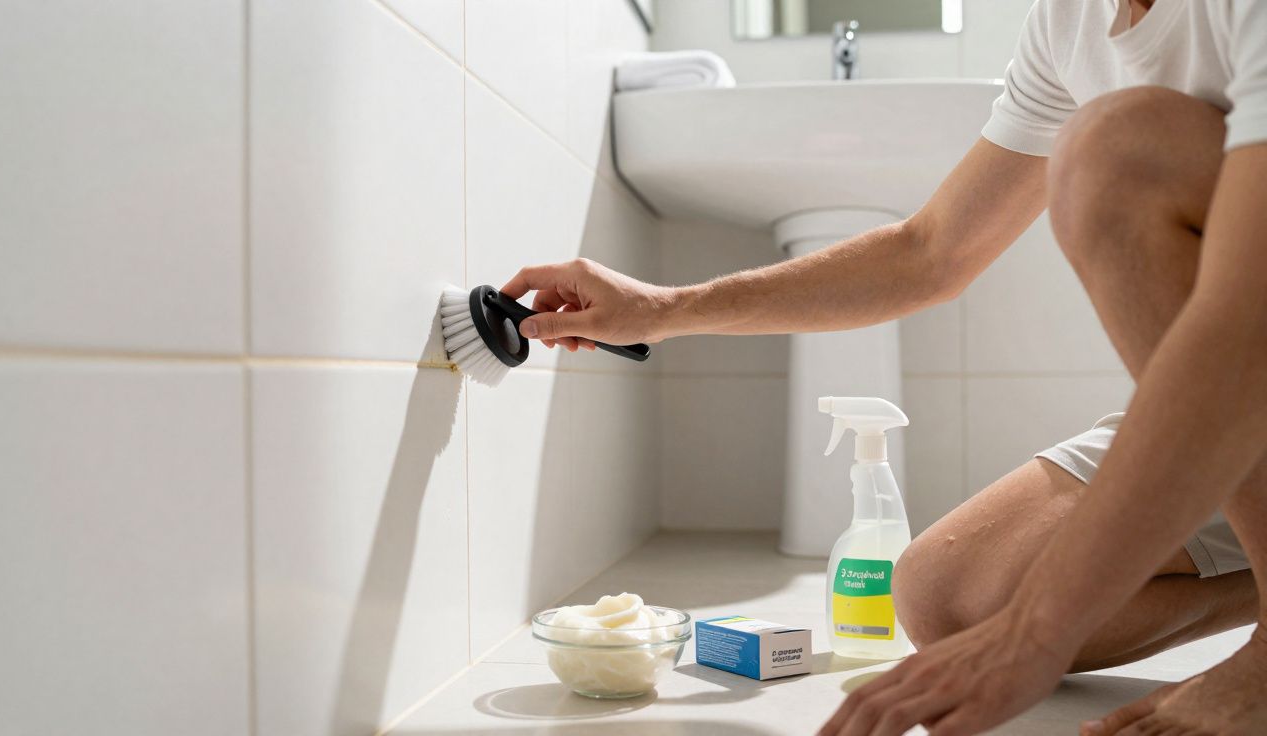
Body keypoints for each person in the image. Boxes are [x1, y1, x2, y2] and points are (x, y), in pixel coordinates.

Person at [502, 1, 1267, 733]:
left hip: (1245, 360)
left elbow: (1238, 326)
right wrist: (664, 309)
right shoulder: (1069, 20)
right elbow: (930, 251)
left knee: (1119, 152)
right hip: (1231, 390)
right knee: (945, 598)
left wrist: (1039, 631)